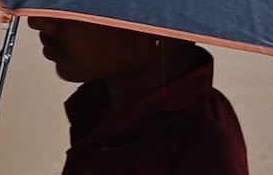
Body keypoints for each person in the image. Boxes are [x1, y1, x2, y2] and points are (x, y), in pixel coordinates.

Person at [27, 16, 248, 175]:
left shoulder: (198, 146)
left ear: (157, 22)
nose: (38, 21)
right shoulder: (104, 114)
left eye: (77, 0)